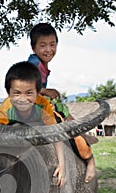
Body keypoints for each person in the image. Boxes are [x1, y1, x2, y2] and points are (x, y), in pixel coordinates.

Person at [28, 23, 96, 183]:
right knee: (65, 124)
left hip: (39, 105)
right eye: (42, 45)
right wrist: (46, 92)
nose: (48, 49)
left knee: (64, 118)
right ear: (34, 48)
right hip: (32, 106)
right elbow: (27, 86)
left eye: (52, 45)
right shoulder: (33, 63)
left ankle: (88, 157)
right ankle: (83, 140)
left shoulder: (40, 63)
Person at [0, 61, 66, 187]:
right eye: (17, 93)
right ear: (8, 93)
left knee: (78, 141)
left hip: (42, 127)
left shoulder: (43, 104)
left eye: (29, 93)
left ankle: (90, 162)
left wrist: (62, 165)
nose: (22, 99)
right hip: (16, 133)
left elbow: (56, 134)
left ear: (37, 92)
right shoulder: (6, 108)